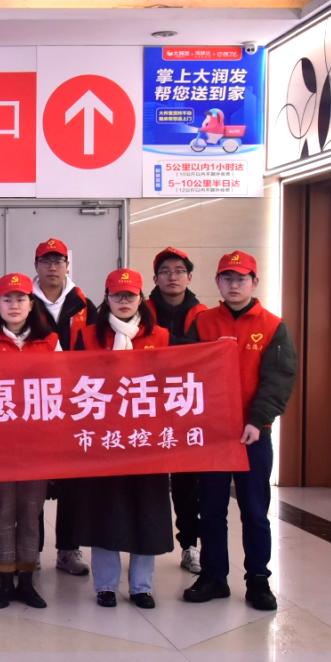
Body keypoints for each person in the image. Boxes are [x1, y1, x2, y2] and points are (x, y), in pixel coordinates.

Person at [183, 251, 297, 611]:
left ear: (254, 282)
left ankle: (258, 579)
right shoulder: (202, 323)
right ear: (218, 282)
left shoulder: (273, 326)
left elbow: (278, 379)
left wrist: (257, 420)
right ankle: (214, 576)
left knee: (254, 510)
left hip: (254, 434)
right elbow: (186, 373)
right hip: (212, 435)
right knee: (211, 508)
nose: (234, 285)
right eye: (227, 278)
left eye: (241, 278)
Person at [70, 269, 173, 609]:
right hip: (105, 438)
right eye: (117, 295)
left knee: (146, 509)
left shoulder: (161, 336)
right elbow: (74, 382)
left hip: (146, 439)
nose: (124, 301)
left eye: (130, 295)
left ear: (141, 298)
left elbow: (172, 382)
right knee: (105, 510)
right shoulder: (87, 336)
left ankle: (142, 586)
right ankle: (106, 586)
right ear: (107, 298)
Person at [0, 273, 58, 608]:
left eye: (21, 299)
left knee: (31, 511)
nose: (14, 305)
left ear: (31, 304)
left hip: (38, 442)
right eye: (6, 299)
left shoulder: (50, 340)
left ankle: (28, 579)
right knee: (4, 512)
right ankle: (5, 580)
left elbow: (62, 385)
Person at [32, 238, 97, 576]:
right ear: (36, 266)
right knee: (34, 482)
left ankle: (68, 550)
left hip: (76, 405)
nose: (53, 267)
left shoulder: (84, 304)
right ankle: (31, 551)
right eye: (46, 261)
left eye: (58, 261)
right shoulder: (23, 301)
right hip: (36, 404)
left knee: (74, 482)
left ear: (67, 266)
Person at [146, 247, 208, 575]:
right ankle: (142, 545)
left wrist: (167, 346)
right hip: (145, 407)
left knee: (188, 482)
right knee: (146, 480)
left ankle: (189, 546)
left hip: (186, 408)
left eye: (179, 271)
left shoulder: (204, 315)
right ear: (155, 278)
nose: (172, 276)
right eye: (166, 271)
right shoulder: (140, 311)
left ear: (190, 277)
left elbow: (208, 356)